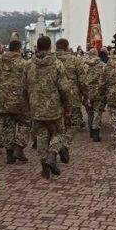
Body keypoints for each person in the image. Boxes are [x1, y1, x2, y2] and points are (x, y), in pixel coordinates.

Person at [24, 36, 74, 178]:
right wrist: (68, 105)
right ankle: (52, 155)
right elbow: (64, 88)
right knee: (59, 133)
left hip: (36, 107)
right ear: (50, 47)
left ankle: (44, 165)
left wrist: (27, 105)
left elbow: (24, 87)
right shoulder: (57, 64)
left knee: (41, 135)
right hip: (54, 107)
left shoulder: (28, 65)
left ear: (37, 47)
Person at [0, 40, 30, 164]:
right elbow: (29, 83)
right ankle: (19, 147)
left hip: (4, 99)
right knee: (25, 124)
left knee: (8, 125)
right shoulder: (24, 64)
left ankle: (9, 154)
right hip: (20, 100)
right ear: (19, 49)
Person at [54, 39, 87, 163]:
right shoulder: (75, 60)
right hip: (72, 96)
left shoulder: (51, 60)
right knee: (75, 123)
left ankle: (54, 148)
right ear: (67, 47)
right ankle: (64, 144)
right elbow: (83, 80)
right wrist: (86, 96)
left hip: (53, 98)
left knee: (57, 125)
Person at [83, 48, 106, 141]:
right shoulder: (103, 65)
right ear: (97, 54)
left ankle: (91, 131)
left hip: (87, 91)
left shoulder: (84, 65)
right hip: (98, 91)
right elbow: (105, 78)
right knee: (97, 111)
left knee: (89, 112)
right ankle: (96, 131)